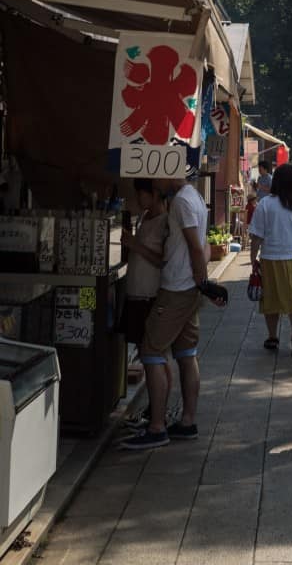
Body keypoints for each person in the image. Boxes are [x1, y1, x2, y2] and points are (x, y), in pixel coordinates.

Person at [121, 172, 209, 450]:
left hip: (177, 288)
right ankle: (187, 422)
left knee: (151, 351)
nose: (154, 184)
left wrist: (201, 282)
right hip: (187, 287)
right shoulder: (193, 197)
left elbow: (197, 247)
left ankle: (157, 426)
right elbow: (201, 247)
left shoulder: (182, 202)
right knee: (185, 353)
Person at [120, 180, 173, 420]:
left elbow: (163, 260)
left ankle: (157, 411)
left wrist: (135, 245)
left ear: (154, 194)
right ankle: (156, 408)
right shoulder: (144, 217)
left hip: (149, 297)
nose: (138, 199)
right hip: (136, 295)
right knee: (149, 355)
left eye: (141, 194)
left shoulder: (164, 222)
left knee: (154, 356)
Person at [249, 163, 292, 355]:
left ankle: (272, 337)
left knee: (271, 300)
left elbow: (256, 236)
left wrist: (253, 260)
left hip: (270, 257)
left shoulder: (266, 204)